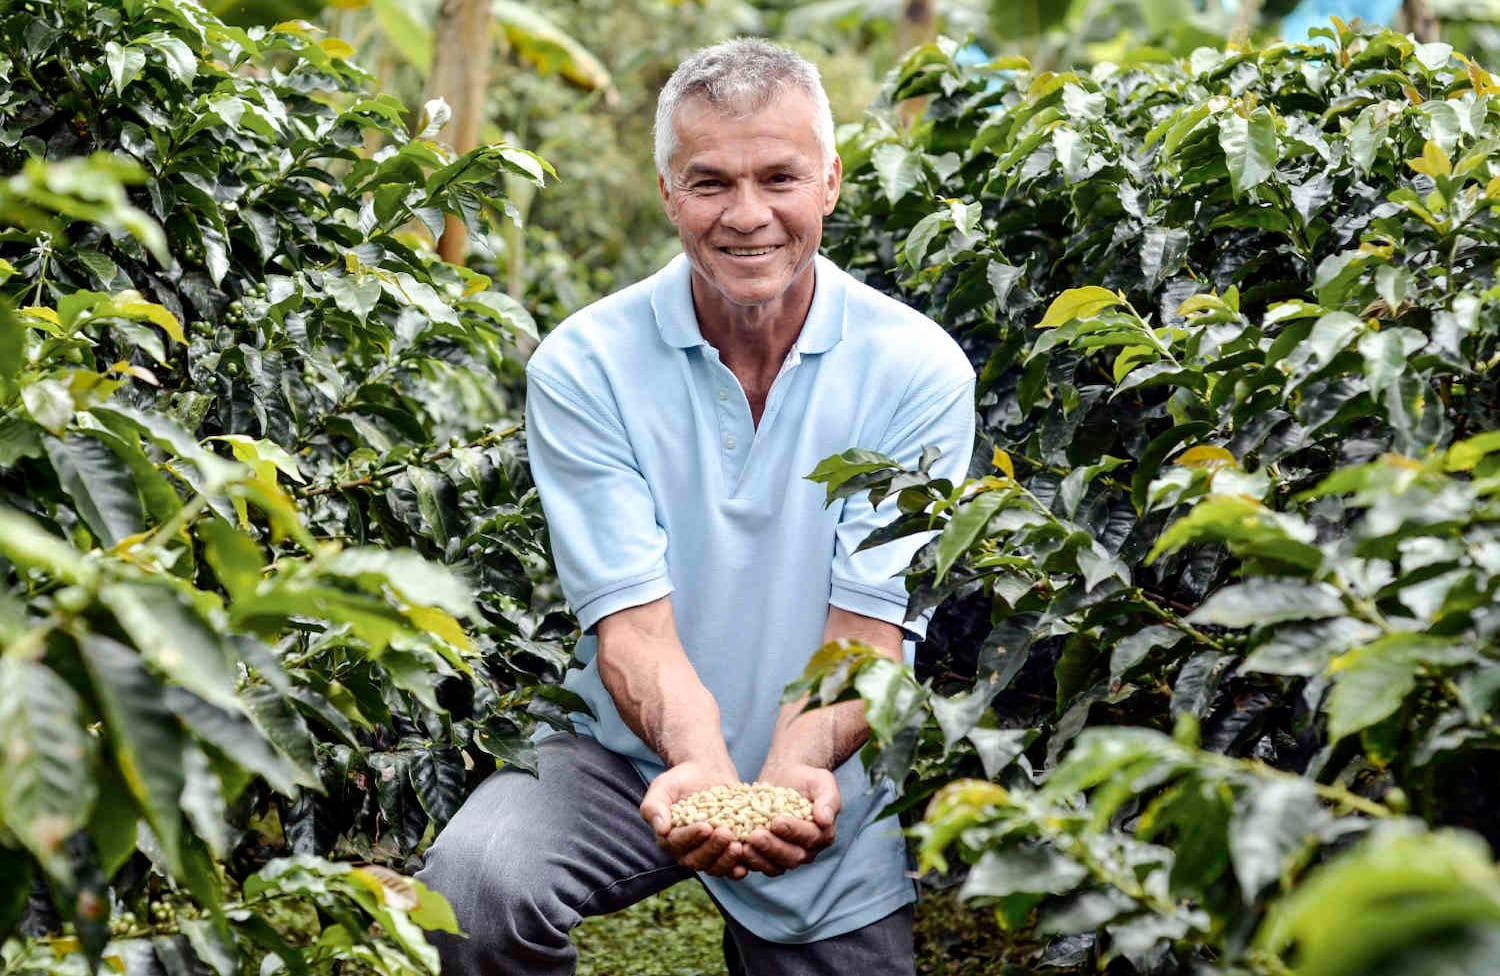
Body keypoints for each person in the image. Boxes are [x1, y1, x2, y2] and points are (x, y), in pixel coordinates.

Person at [416, 38, 975, 975]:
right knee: (474, 888)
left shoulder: (916, 370)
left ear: (830, 182)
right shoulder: (587, 364)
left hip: (824, 767)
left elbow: (869, 632)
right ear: (670, 192)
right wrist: (703, 768)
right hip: (626, 751)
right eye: (710, 182)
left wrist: (793, 770)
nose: (748, 215)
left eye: (780, 177)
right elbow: (630, 629)